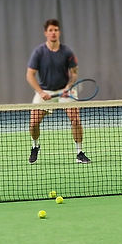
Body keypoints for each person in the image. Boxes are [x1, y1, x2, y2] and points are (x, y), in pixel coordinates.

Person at [26, 18, 91, 164]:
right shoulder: (39, 52)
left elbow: (74, 72)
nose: (53, 33)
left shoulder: (67, 51)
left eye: (55, 30)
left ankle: (79, 152)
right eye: (50, 30)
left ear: (59, 32)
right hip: (45, 91)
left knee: (75, 120)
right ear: (46, 33)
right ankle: (35, 147)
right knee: (33, 123)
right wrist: (41, 92)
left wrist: (69, 87)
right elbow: (30, 75)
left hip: (65, 91)